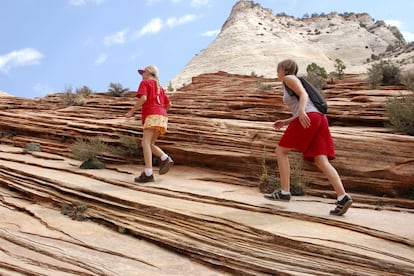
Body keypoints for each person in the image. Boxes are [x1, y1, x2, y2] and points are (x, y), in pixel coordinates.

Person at [264, 59, 352, 216]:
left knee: (281, 151)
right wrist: (286, 121)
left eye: (278, 70)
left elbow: (303, 95)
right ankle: (342, 197)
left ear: (283, 69)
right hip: (320, 118)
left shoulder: (289, 78)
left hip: (310, 116)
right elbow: (307, 106)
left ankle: (284, 192)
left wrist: (303, 111)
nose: (277, 73)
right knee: (321, 160)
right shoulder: (293, 80)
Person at [126, 65, 174, 183]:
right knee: (151, 144)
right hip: (162, 116)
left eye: (143, 73)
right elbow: (169, 105)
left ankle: (148, 173)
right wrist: (160, 112)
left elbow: (143, 99)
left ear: (148, 73)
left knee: (145, 143)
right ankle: (165, 158)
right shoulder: (159, 87)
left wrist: (131, 112)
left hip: (152, 115)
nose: (142, 76)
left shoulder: (145, 83)